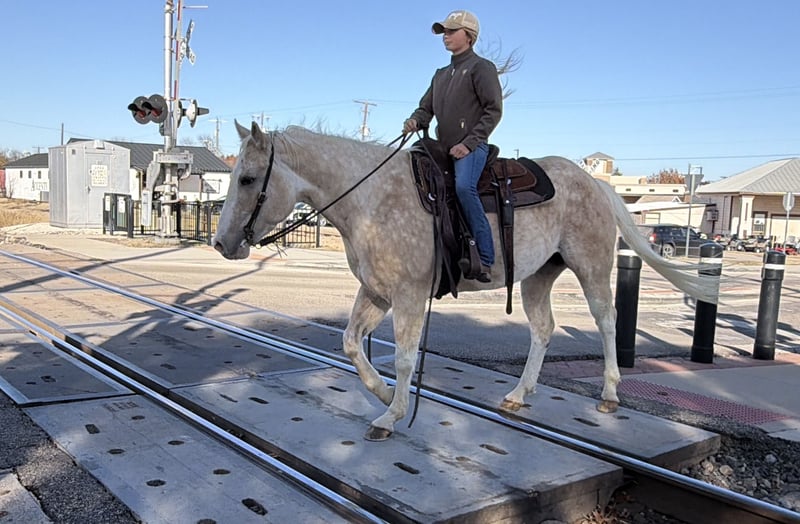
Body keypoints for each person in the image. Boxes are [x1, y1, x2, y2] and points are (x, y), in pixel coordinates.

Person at [403, 9, 503, 283]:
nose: (445, 36)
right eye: (444, 32)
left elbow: (493, 111)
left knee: (463, 188)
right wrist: (415, 120)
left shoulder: (481, 68)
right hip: (442, 148)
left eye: (451, 31)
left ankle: (485, 258)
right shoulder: (441, 74)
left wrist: (468, 144)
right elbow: (426, 109)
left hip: (471, 147)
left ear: (468, 36)